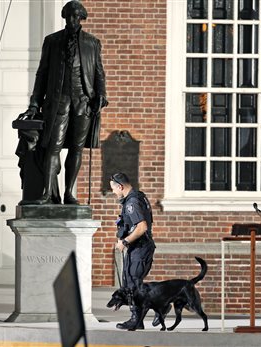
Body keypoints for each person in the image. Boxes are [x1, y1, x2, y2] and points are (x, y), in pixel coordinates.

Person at [17, 0, 108, 205]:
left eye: (76, 16)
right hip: (58, 101)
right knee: (52, 147)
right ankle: (48, 193)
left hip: (83, 102)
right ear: (64, 17)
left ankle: (69, 193)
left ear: (82, 18)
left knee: (76, 148)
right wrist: (34, 104)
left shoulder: (92, 43)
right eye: (68, 16)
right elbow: (42, 74)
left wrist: (101, 95)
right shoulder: (52, 41)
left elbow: (99, 73)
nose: (71, 20)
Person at [111, 172, 156, 330]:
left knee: (133, 284)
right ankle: (140, 319)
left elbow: (142, 227)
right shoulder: (137, 197)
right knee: (134, 283)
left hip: (140, 247)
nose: (113, 192)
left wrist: (125, 241)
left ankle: (140, 316)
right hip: (139, 248)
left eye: (114, 189)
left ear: (120, 186)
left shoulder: (132, 202)